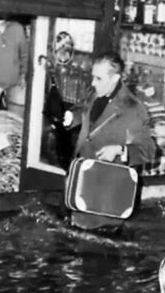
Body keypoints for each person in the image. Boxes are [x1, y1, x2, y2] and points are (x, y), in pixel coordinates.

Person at [64, 51, 156, 230]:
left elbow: (149, 150)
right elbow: (87, 114)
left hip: (107, 203)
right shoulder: (96, 93)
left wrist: (122, 151)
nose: (92, 83)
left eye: (98, 78)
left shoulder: (133, 109)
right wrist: (73, 117)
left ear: (115, 79)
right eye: (93, 77)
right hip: (81, 190)